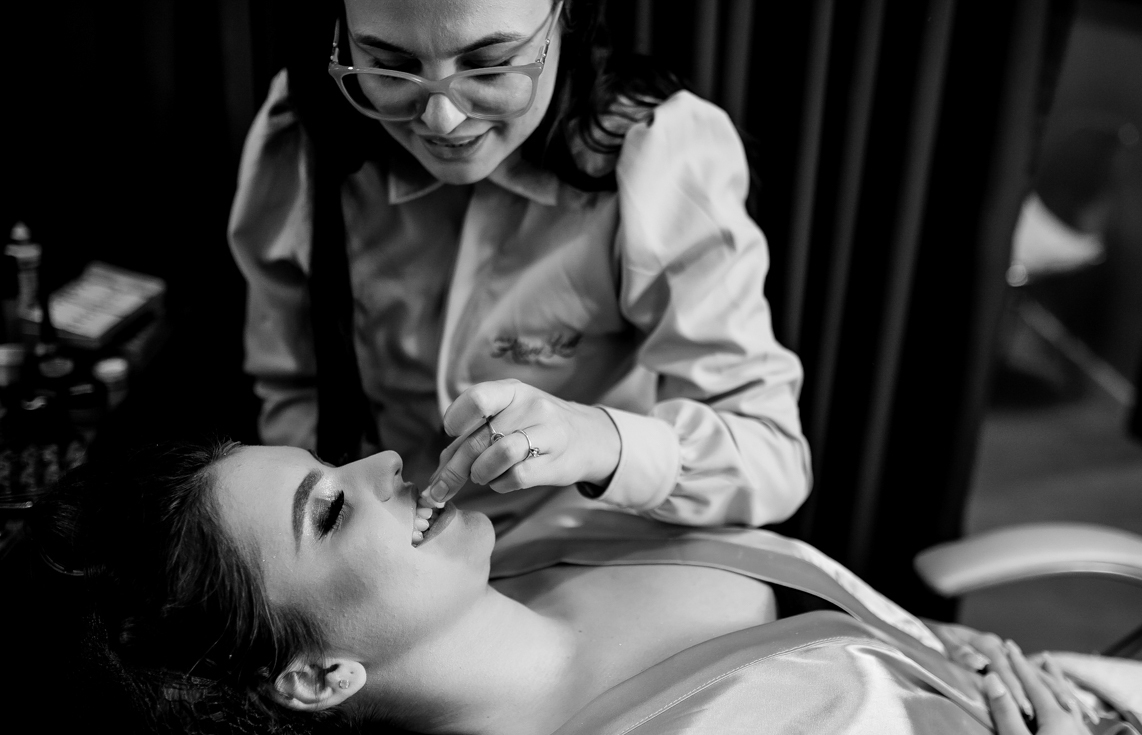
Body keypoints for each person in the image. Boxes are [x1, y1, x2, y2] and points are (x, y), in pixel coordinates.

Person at [26, 441, 1142, 735]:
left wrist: (922, 654)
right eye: (330, 508)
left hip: (1093, 708)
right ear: (320, 675)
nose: (382, 460)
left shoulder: (545, 536)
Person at [229, 0, 810, 529]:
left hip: (588, 545)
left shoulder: (659, 154)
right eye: (390, 67)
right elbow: (292, 391)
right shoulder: (301, 136)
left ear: (567, 16)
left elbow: (771, 454)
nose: (442, 120)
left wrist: (594, 439)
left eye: (491, 65)